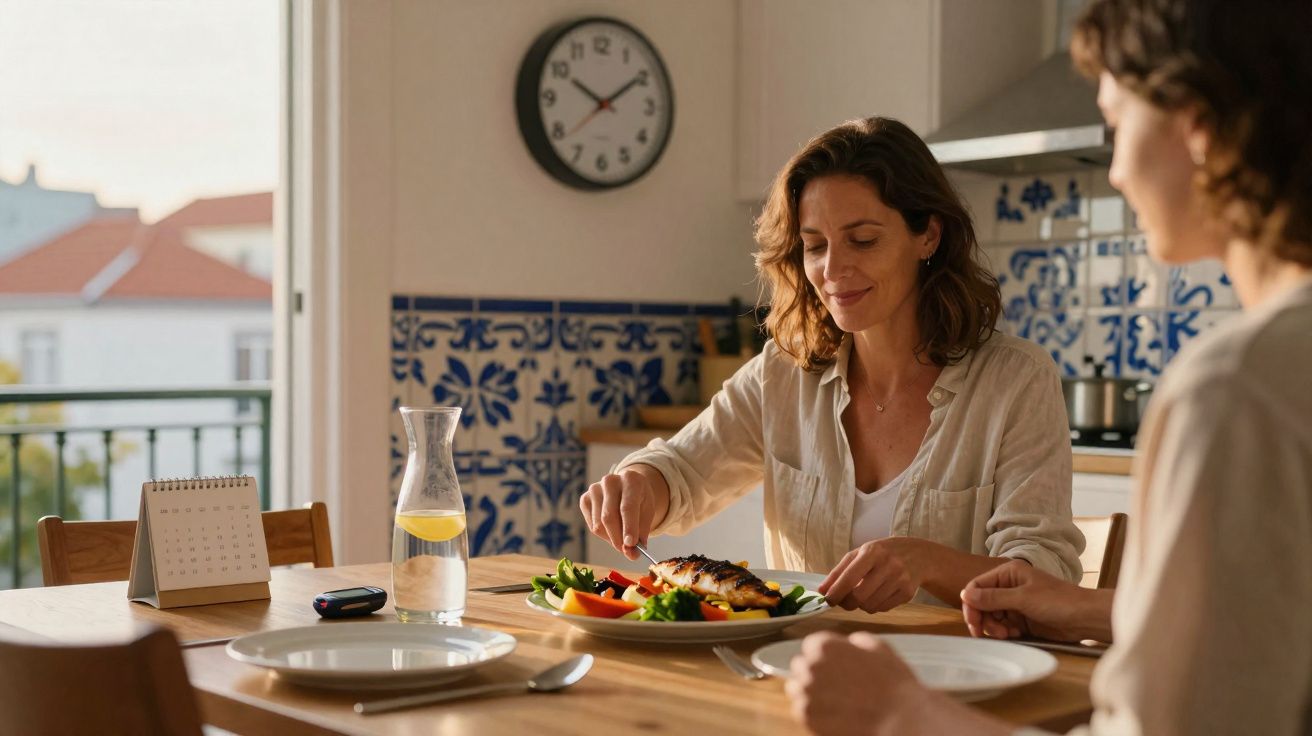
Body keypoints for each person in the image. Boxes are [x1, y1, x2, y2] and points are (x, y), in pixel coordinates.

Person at [787, 0, 1312, 733]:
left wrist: (901, 712)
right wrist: (1101, 610)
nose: (1119, 170)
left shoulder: (1237, 391)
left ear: (1196, 129)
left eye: (1117, 124)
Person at [579, 117, 1083, 612]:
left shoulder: (1016, 380)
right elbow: (684, 470)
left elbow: (1042, 582)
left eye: (863, 240)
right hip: (797, 672)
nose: (833, 269)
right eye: (815, 246)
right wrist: (640, 483)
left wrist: (926, 563)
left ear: (928, 235)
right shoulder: (783, 373)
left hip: (955, 681)